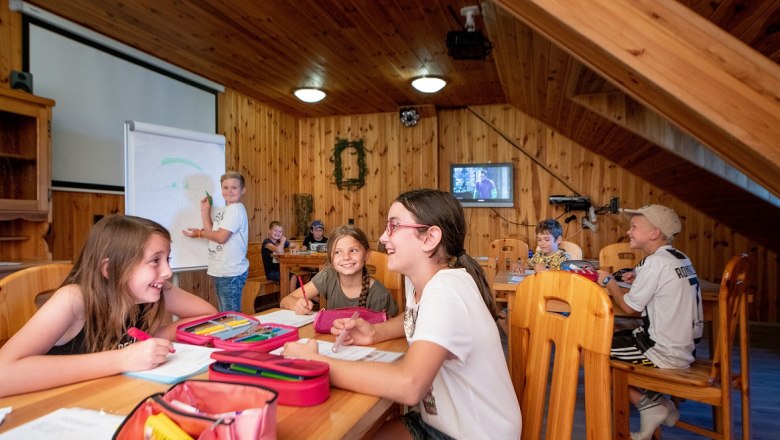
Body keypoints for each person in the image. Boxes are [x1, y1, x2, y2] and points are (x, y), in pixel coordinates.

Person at [282, 189, 520, 439]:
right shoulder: (420, 283)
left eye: (393, 226)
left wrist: (318, 364)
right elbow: (413, 318)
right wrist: (374, 331)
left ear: (430, 238)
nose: (384, 237)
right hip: (438, 423)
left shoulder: (446, 290)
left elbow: (409, 385)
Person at [0, 215, 218, 397]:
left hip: (110, 397)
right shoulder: (73, 300)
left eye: (167, 260)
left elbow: (210, 315)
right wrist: (123, 359)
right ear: (110, 268)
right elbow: (3, 375)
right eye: (155, 261)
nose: (167, 271)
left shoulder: (144, 293)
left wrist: (161, 335)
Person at [597, 204, 703, 440]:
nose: (628, 232)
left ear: (654, 233)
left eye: (634, 227)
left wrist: (609, 283)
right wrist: (639, 277)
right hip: (683, 348)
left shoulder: (654, 264)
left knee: (588, 349)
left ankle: (647, 405)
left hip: (662, 351)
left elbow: (629, 308)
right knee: (611, 333)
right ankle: (660, 402)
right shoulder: (679, 258)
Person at [280, 224, 398, 317]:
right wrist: (297, 305)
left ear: (366, 255)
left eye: (353, 250)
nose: (346, 257)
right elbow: (285, 300)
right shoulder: (328, 275)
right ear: (331, 258)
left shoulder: (379, 295)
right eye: (337, 252)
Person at [183, 171, 249, 312]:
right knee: (226, 314)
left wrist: (200, 233)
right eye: (225, 188)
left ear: (243, 189)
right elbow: (212, 232)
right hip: (222, 270)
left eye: (234, 188)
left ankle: (236, 334)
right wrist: (205, 211)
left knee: (231, 316)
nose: (229, 191)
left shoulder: (235, 210)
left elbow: (220, 237)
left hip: (231, 271)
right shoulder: (226, 210)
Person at [261, 220, 299, 292]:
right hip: (271, 273)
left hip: (282, 270)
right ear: (269, 231)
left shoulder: (280, 242)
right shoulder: (267, 243)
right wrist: (282, 241)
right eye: (275, 230)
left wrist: (295, 250)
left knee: (297, 280)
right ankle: (291, 299)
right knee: (293, 277)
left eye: (280, 232)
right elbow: (279, 251)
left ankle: (293, 298)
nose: (277, 233)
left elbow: (297, 245)